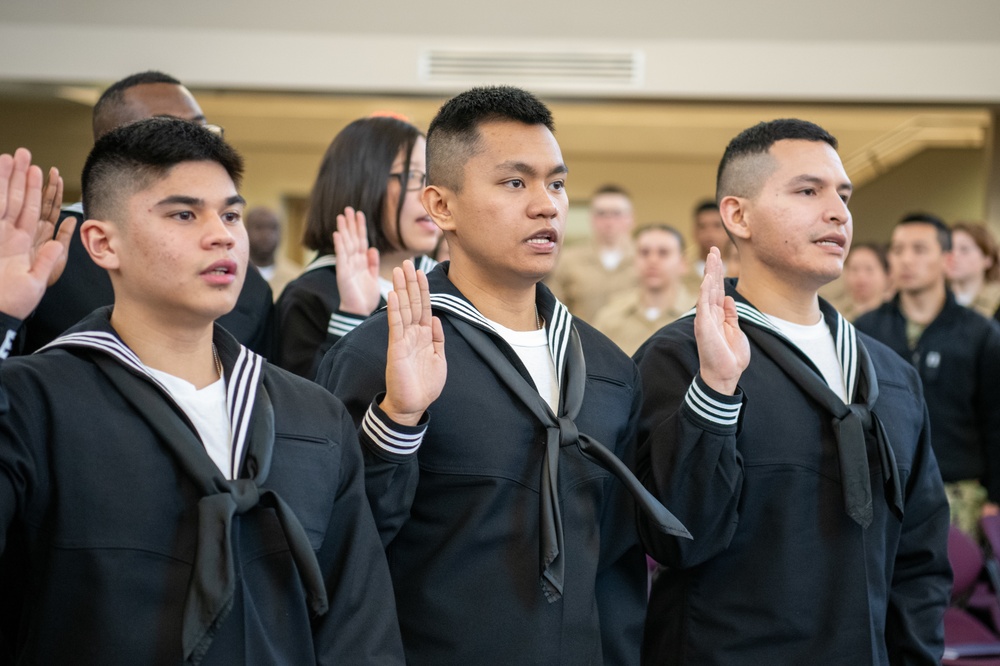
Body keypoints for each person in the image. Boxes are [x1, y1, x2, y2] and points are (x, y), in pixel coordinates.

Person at [0, 121, 405, 664]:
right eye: (184, 214)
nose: (222, 235)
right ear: (102, 243)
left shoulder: (311, 415)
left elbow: (359, 626)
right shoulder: (34, 399)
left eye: (231, 214)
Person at [317, 86, 686, 665]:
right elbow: (340, 547)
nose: (547, 205)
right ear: (441, 206)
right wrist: (398, 420)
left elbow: (617, 561)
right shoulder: (381, 354)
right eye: (515, 183)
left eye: (557, 183)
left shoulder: (609, 370)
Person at [635, 119, 950, 664]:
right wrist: (716, 391)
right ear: (738, 215)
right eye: (808, 191)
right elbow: (677, 540)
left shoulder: (890, 375)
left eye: (843, 195)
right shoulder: (680, 357)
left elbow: (920, 559)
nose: (838, 212)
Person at [19, 70, 274, 357]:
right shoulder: (44, 254)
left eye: (230, 216)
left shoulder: (249, 286)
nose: (193, 143)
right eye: (183, 215)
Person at [856, 213, 1000, 537]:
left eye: (919, 249)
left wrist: (996, 498)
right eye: (898, 249)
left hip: (959, 496)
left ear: (947, 259)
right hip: (883, 491)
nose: (906, 259)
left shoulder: (981, 334)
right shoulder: (866, 330)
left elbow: (996, 421)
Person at [275, 116, 439, 378]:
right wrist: (352, 316)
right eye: (411, 176)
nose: (432, 194)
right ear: (362, 183)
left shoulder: (445, 282)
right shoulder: (312, 295)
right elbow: (307, 407)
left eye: (432, 178)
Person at [592, 224, 693, 355]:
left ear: (683, 263)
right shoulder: (609, 316)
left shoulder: (697, 317)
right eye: (644, 253)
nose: (652, 260)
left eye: (663, 253)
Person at [546, 184, 638, 322]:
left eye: (617, 214)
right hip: (582, 340)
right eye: (601, 214)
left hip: (631, 341)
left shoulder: (645, 259)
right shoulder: (568, 259)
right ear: (591, 217)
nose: (609, 221)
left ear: (630, 219)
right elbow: (552, 307)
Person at [245, 206, 301, 299]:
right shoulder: (234, 275)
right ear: (245, 231)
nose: (266, 235)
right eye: (259, 227)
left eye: (273, 228)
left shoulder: (296, 278)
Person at [948, 221, 1000, 318]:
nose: (953, 256)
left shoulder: (997, 302)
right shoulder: (933, 300)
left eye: (964, 249)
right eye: (949, 248)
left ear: (987, 259)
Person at [840, 242, 891, 321]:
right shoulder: (836, 315)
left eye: (869, 269)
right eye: (854, 269)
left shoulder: (895, 316)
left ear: (887, 275)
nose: (861, 276)